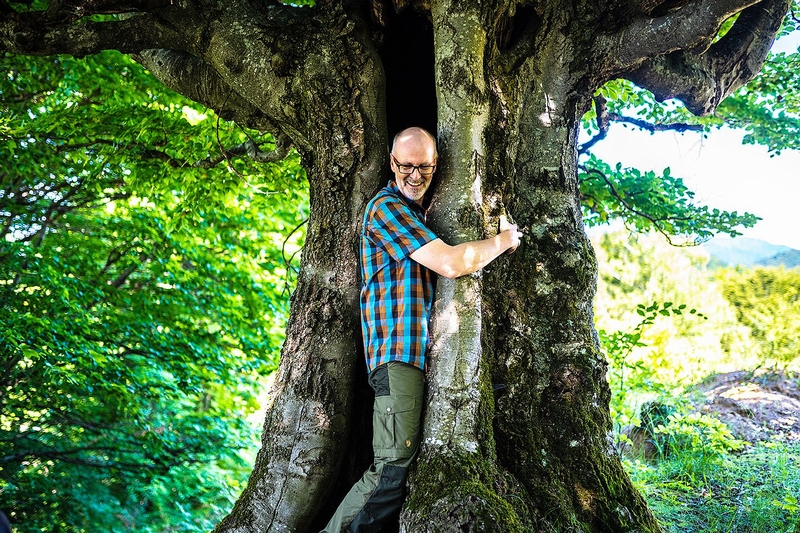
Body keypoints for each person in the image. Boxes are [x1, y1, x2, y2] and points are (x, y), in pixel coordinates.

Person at [321, 127, 522, 533]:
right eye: (406, 166)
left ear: (436, 165)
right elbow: (451, 263)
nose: (415, 176)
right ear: (391, 163)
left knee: (395, 469)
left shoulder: (418, 216)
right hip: (397, 356)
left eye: (424, 167)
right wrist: (503, 241)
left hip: (413, 359)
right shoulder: (386, 208)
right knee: (390, 471)